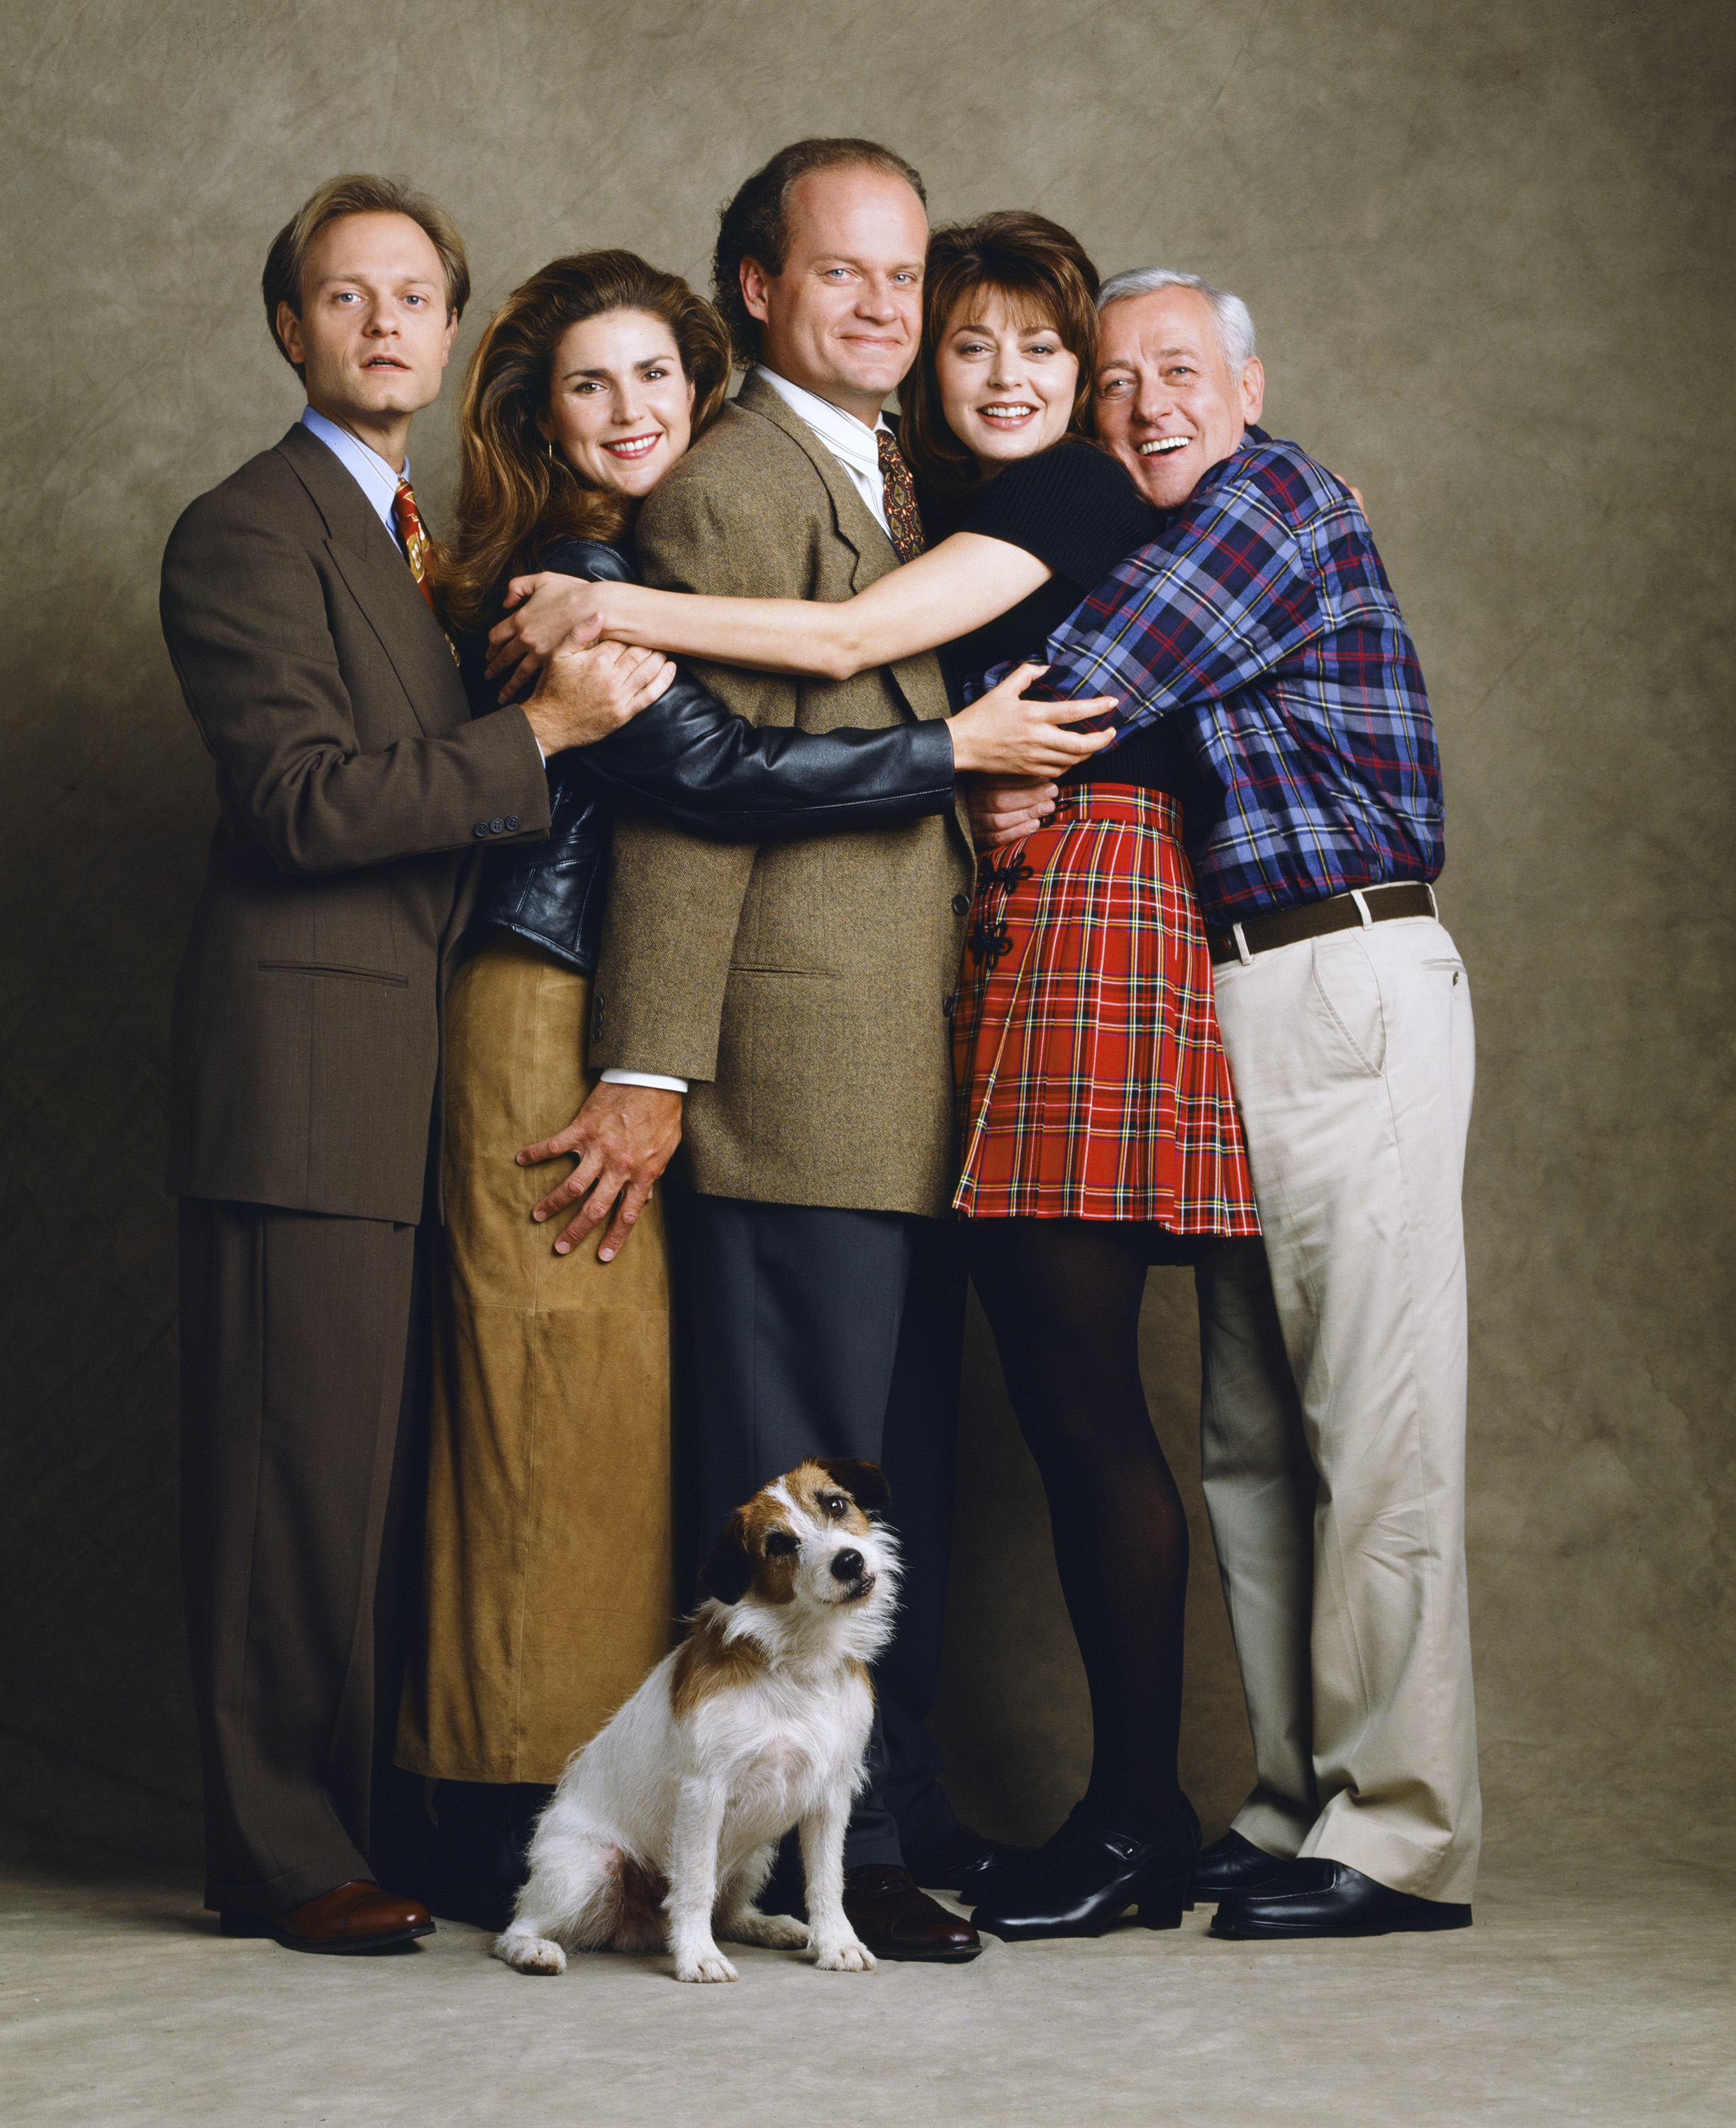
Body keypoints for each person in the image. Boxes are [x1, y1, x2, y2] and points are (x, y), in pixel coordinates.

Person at [491, 211, 1261, 1940]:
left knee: (876, 1482)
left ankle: (895, 1825)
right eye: (860, 276)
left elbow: (864, 675)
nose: (912, 323)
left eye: (916, 285)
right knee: (804, 1493)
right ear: (759, 290)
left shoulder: (991, 491)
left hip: (930, 1042)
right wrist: (656, 1062)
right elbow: (688, 807)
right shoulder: (744, 481)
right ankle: (840, 1855)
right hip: (808, 1057)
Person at [395, 248, 1103, 1927]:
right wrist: (653, 1067)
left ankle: (841, 1831)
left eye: (655, 378)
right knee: (689, 1450)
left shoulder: (850, 478)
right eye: (592, 384)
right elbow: (703, 795)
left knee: (792, 1461)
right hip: (653, 1026)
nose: (634, 413)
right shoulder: (606, 559)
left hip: (826, 1053)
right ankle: (647, 1835)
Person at [159, 175, 674, 1954]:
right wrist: (530, 727)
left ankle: (348, 1823)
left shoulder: (415, 543)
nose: (384, 322)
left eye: (413, 296)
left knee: (367, 1478)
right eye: (342, 293)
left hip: (409, 1067)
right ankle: (278, 1853)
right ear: (289, 326)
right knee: (287, 1482)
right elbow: (301, 805)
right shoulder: (250, 528)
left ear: (447, 329)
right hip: (304, 1071)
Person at [973, 269, 1481, 1940]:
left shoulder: (1271, 503)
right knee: (1257, 1443)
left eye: (1178, 372)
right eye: (1112, 383)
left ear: (1248, 389)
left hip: (1350, 977)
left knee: (1374, 1428)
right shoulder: (1186, 523)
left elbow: (1082, 680)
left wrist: (984, 751)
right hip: (1244, 983)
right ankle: (1287, 1806)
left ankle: (1398, 1836)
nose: (1142, 408)